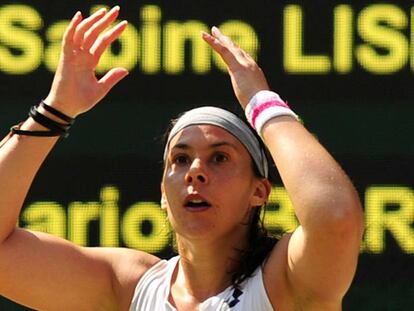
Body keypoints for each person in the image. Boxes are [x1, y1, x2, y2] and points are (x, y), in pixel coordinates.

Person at [0, 6, 364, 311]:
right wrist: (56, 110)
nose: (196, 172)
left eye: (219, 158)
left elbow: (334, 216)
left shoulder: (286, 283)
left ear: (260, 191)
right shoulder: (128, 287)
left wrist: (262, 103)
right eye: (180, 159)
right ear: (162, 192)